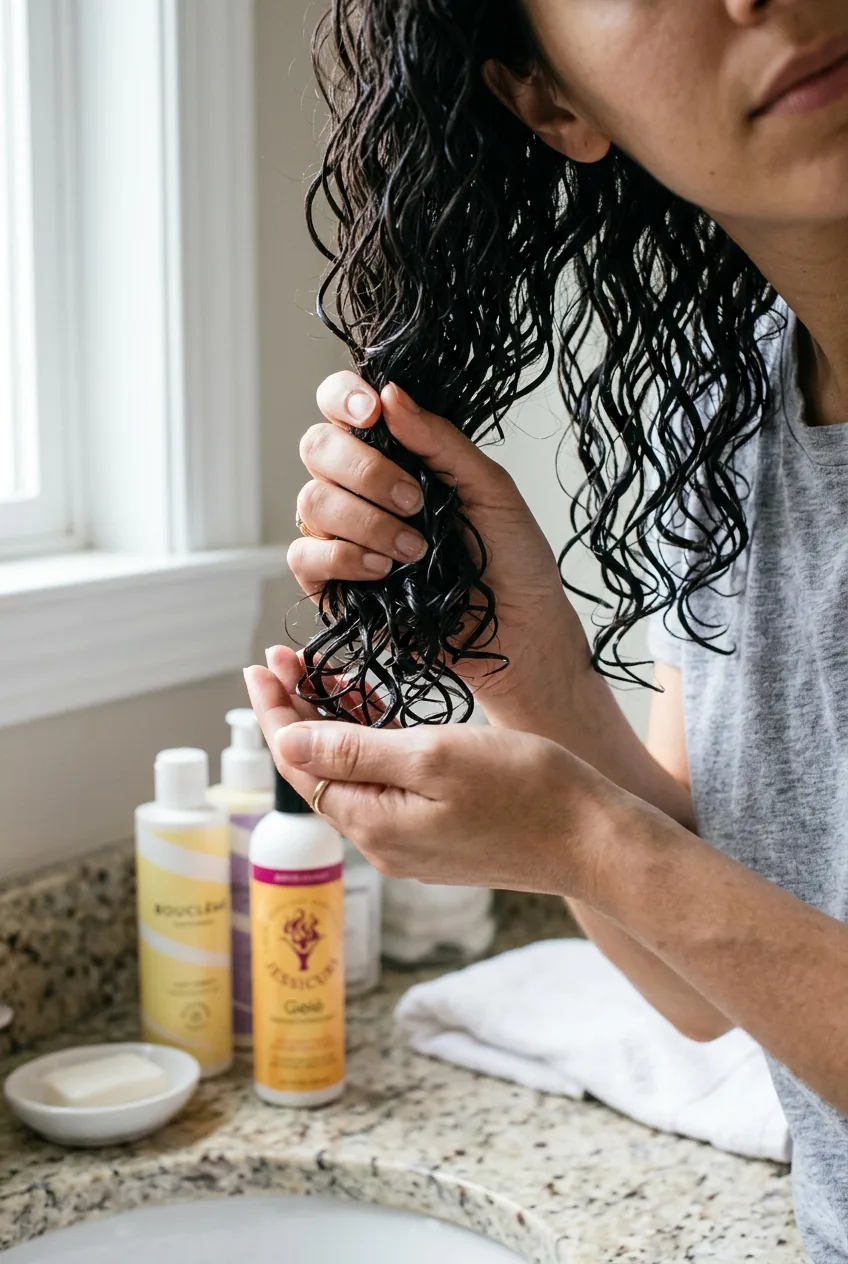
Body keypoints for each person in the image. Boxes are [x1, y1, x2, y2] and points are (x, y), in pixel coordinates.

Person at [244, 2, 848, 1258]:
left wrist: (591, 837)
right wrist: (533, 680)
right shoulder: (728, 417)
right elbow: (703, 984)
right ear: (550, 103)